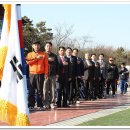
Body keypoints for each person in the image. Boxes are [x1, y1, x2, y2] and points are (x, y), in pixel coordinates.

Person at [26, 41, 48, 110]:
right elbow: (28, 62)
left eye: (38, 45)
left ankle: (40, 105)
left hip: (40, 74)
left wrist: (46, 73)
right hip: (32, 74)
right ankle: (31, 105)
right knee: (31, 90)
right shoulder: (29, 54)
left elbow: (46, 65)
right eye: (35, 45)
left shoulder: (44, 54)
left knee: (40, 90)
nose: (36, 46)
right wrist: (36, 59)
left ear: (40, 46)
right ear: (33, 46)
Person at [43, 42, 59, 109]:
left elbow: (57, 65)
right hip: (45, 75)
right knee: (45, 90)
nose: (48, 47)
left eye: (50, 46)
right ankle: (46, 103)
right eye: (47, 46)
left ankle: (52, 103)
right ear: (45, 47)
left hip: (53, 75)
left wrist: (57, 74)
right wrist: (47, 59)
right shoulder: (42, 54)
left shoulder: (54, 56)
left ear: (51, 47)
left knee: (53, 89)